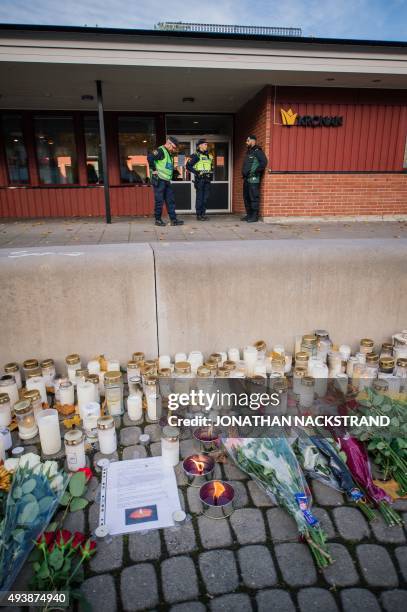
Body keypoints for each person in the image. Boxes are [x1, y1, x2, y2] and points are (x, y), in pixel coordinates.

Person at [147, 136, 184, 226]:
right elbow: (150, 157)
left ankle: (173, 220)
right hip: (160, 180)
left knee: (170, 200)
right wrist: (154, 169)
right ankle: (158, 220)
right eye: (173, 147)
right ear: (169, 143)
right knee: (159, 201)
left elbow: (165, 166)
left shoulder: (168, 153)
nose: (173, 149)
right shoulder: (160, 150)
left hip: (166, 181)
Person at [241, 135, 268, 223]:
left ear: (253, 141)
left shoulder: (258, 151)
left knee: (253, 197)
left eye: (247, 141)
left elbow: (264, 162)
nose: (246, 142)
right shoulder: (249, 152)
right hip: (246, 179)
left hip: (253, 180)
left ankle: (254, 216)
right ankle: (249, 214)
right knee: (246, 197)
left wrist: (256, 171)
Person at [186, 138, 213, 220]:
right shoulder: (195, 155)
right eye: (205, 144)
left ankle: (203, 214)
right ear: (200, 145)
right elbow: (188, 166)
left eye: (206, 144)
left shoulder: (209, 156)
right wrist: (197, 172)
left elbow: (210, 167)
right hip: (200, 180)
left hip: (207, 180)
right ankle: (199, 215)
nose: (206, 146)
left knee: (205, 198)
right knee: (200, 198)